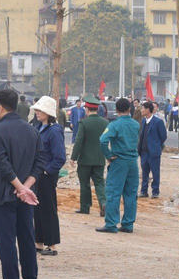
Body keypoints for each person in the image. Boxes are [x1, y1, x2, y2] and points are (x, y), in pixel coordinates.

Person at [0, 87, 41, 279]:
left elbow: (2, 163)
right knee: (26, 237)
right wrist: (26, 187)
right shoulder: (31, 130)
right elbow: (39, 162)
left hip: (5, 194)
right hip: (25, 196)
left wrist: (19, 187)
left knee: (6, 241)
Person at [98, 98, 141, 234]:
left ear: (116, 110)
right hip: (133, 162)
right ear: (129, 109)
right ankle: (128, 224)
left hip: (119, 161)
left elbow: (103, 141)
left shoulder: (114, 125)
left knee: (113, 193)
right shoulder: (136, 124)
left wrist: (109, 156)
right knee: (131, 193)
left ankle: (111, 224)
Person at [30, 96, 64, 256]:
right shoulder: (38, 128)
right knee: (37, 209)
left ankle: (52, 244)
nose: (37, 112)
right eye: (36, 110)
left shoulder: (54, 131)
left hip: (46, 176)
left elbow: (59, 157)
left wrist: (46, 171)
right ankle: (39, 242)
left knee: (48, 209)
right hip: (37, 175)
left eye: (40, 110)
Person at [71, 95, 108, 215]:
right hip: (99, 159)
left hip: (85, 160)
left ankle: (85, 207)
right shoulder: (105, 122)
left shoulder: (84, 123)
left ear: (87, 109)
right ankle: (103, 203)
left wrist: (73, 157)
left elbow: (79, 141)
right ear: (97, 109)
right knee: (99, 183)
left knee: (85, 183)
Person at [138, 101, 167, 198]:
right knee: (144, 173)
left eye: (143, 108)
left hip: (153, 152)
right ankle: (144, 191)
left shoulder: (158, 122)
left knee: (155, 172)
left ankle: (155, 192)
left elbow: (163, 136)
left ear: (147, 110)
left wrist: (156, 145)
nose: (141, 110)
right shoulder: (143, 121)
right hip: (144, 152)